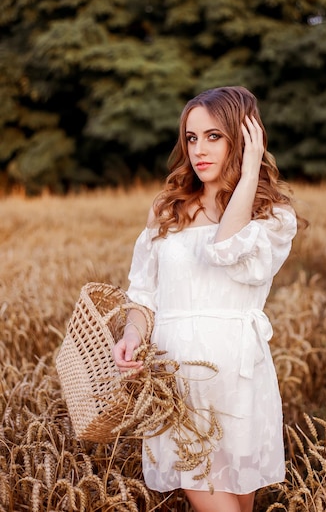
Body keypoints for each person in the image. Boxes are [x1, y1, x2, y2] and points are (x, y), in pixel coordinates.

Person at [113, 86, 300, 512]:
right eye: (192, 137)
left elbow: (223, 248)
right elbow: (143, 294)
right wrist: (131, 334)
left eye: (214, 136)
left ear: (245, 136)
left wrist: (249, 174)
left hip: (239, 381)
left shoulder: (272, 217)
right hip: (175, 382)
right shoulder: (167, 208)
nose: (199, 149)